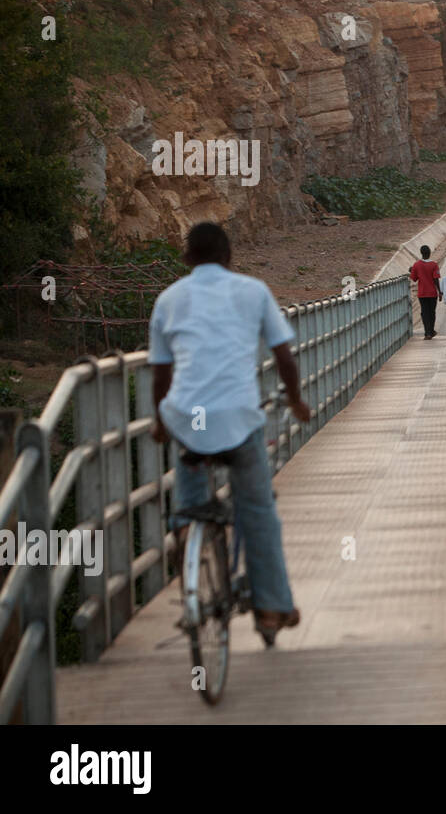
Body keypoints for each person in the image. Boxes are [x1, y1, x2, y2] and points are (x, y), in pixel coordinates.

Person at [147, 222, 310, 635]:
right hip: (239, 418)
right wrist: (295, 400)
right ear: (228, 257)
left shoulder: (168, 300)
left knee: (188, 502)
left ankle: (186, 548)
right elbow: (285, 359)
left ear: (186, 259)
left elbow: (161, 375)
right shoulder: (252, 291)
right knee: (258, 511)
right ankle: (272, 608)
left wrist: (160, 420)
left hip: (186, 417)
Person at [409, 245, 441, 339]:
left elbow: (414, 278)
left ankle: (427, 333)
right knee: (432, 312)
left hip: (422, 293)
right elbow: (436, 279)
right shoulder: (434, 265)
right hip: (432, 293)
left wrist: (411, 271)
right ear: (430, 253)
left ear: (421, 253)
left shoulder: (416, 265)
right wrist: (440, 292)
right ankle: (431, 330)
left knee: (424, 313)